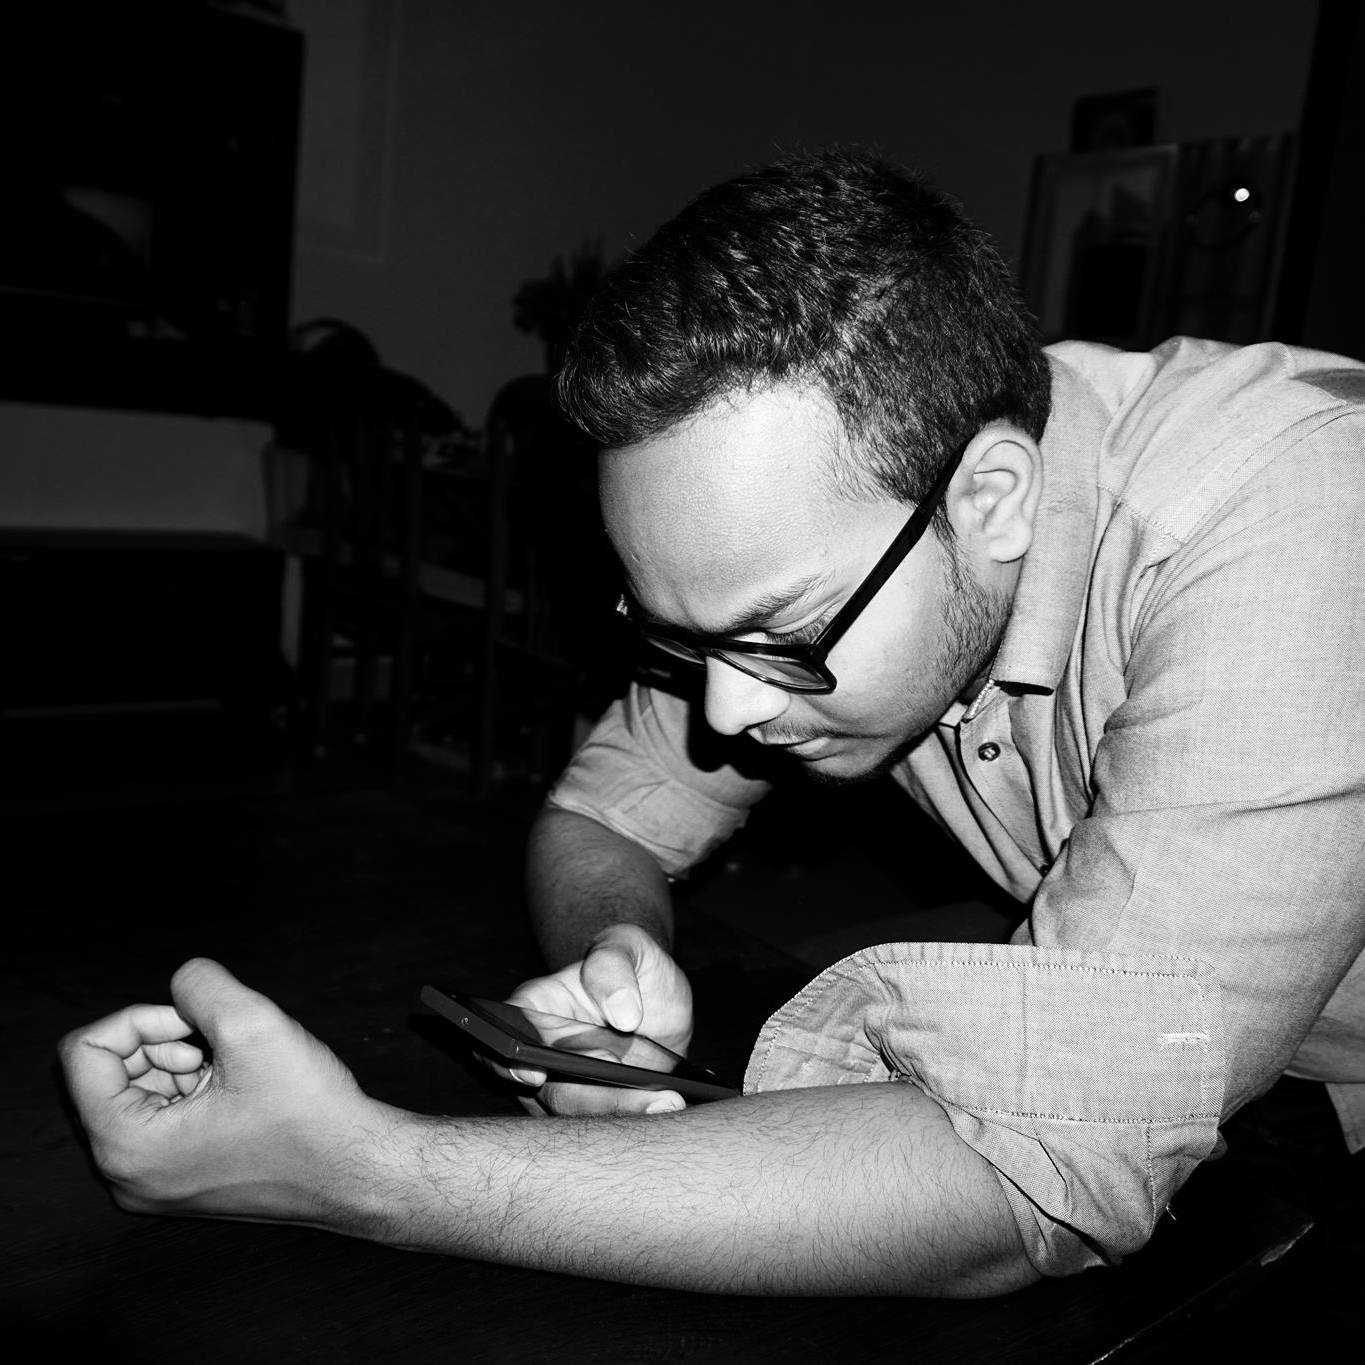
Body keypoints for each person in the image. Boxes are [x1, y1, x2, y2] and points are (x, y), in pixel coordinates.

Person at [60, 149, 1365, 1296]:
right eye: (681, 640)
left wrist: (358, 1170)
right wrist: (618, 957)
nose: (726, 711)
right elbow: (602, 810)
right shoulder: (866, 515)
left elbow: (1033, 1177)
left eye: (780, 637)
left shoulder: (1299, 518)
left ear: (993, 499)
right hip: (1254, 1113)